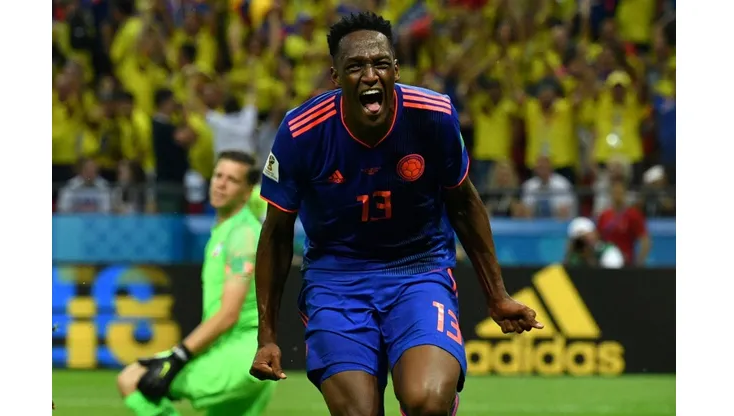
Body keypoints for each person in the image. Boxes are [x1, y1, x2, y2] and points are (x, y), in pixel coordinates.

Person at [250, 12, 543, 416]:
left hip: (418, 269)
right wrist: (267, 336)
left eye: (380, 63)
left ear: (396, 70)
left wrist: (497, 295)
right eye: (356, 66)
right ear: (336, 77)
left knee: (427, 401)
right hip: (337, 279)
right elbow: (276, 233)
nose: (370, 75)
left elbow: (464, 204)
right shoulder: (301, 132)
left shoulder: (433, 115)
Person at [116, 151, 276, 416]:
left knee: (132, 379)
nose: (221, 184)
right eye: (218, 175)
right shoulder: (227, 230)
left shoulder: (242, 235)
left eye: (232, 180)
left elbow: (228, 314)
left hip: (240, 358)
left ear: (247, 191)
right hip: (239, 355)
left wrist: (179, 356)